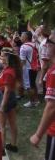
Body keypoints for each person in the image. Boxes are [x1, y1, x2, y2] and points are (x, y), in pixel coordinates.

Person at [30, 31, 55, 159]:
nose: (45, 45)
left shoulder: (54, 72)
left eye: (49, 42)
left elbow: (52, 107)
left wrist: (38, 135)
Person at [0, 48, 22, 153]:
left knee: (2, 126)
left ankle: (1, 149)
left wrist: (2, 105)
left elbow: (6, 91)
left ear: (7, 58)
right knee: (12, 123)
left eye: (2, 56)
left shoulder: (8, 72)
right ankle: (13, 145)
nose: (0, 58)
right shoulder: (10, 69)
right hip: (10, 97)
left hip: (5, 97)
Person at [20, 31, 39, 107]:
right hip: (35, 66)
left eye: (22, 36)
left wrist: (19, 70)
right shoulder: (34, 44)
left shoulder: (23, 47)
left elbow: (23, 61)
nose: (21, 37)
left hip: (28, 68)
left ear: (26, 37)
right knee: (33, 84)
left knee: (29, 86)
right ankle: (37, 100)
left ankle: (32, 102)